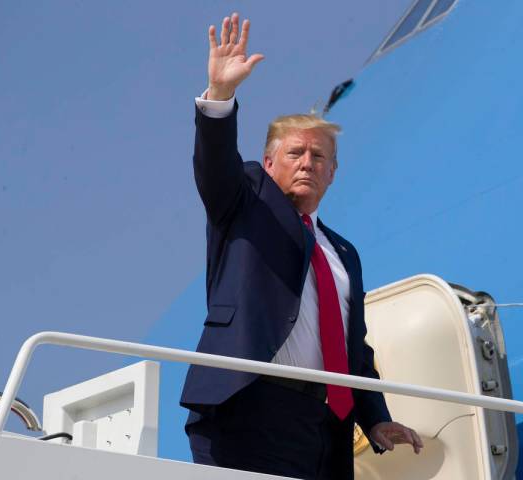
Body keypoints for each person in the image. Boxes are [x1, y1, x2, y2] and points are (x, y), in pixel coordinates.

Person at [180, 12, 423, 479]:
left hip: (326, 426)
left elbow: (355, 350)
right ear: (269, 162)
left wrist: (375, 416)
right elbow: (214, 166)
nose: (307, 163)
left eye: (319, 157)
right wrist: (220, 96)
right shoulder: (245, 200)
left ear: (334, 172)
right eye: (295, 153)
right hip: (251, 405)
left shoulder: (343, 253)